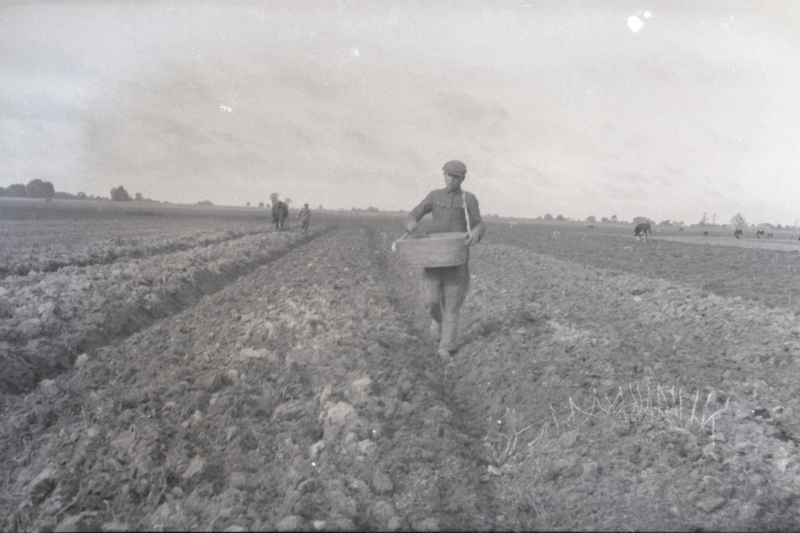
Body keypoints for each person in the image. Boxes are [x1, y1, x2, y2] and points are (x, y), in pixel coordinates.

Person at [404, 160, 485, 360]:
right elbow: (416, 212)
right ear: (444, 175)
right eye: (448, 175)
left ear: (462, 179)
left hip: (457, 257)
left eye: (456, 176)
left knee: (453, 301)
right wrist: (411, 222)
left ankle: (446, 346)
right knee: (430, 300)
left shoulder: (469, 199)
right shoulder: (434, 195)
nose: (451, 179)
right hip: (433, 256)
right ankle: (437, 320)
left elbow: (479, 223)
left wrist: (476, 231)